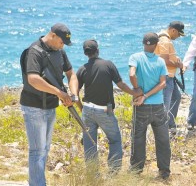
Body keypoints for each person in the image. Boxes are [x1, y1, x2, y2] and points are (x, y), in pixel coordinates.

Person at [20, 23, 78, 186]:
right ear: (53, 35)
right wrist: (60, 93)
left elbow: (71, 74)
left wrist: (73, 94)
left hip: (50, 106)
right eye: (61, 42)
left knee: (44, 149)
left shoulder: (60, 51)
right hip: (33, 107)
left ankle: (37, 182)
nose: (62, 46)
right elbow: (33, 79)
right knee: (37, 151)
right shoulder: (34, 51)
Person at [76, 39, 142, 174]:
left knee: (89, 143)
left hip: (87, 109)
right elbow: (121, 84)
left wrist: (81, 108)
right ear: (98, 50)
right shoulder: (108, 65)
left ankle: (93, 174)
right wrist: (134, 92)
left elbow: (75, 93)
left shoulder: (82, 69)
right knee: (115, 140)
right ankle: (113, 173)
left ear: (85, 53)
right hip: (105, 110)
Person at [129, 32, 171, 180]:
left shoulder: (135, 57)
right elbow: (163, 83)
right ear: (156, 45)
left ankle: (136, 171)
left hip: (141, 106)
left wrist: (138, 92)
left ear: (143, 43)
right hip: (158, 105)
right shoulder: (160, 61)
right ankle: (164, 172)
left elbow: (132, 74)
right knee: (162, 139)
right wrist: (147, 96)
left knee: (138, 138)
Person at [154, 21, 185, 131]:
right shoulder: (165, 41)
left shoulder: (161, 38)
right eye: (178, 34)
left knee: (176, 97)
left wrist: (175, 62)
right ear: (173, 30)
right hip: (166, 76)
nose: (178, 37)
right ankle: (163, 128)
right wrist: (178, 65)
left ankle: (170, 125)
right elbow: (163, 60)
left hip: (168, 75)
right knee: (166, 103)